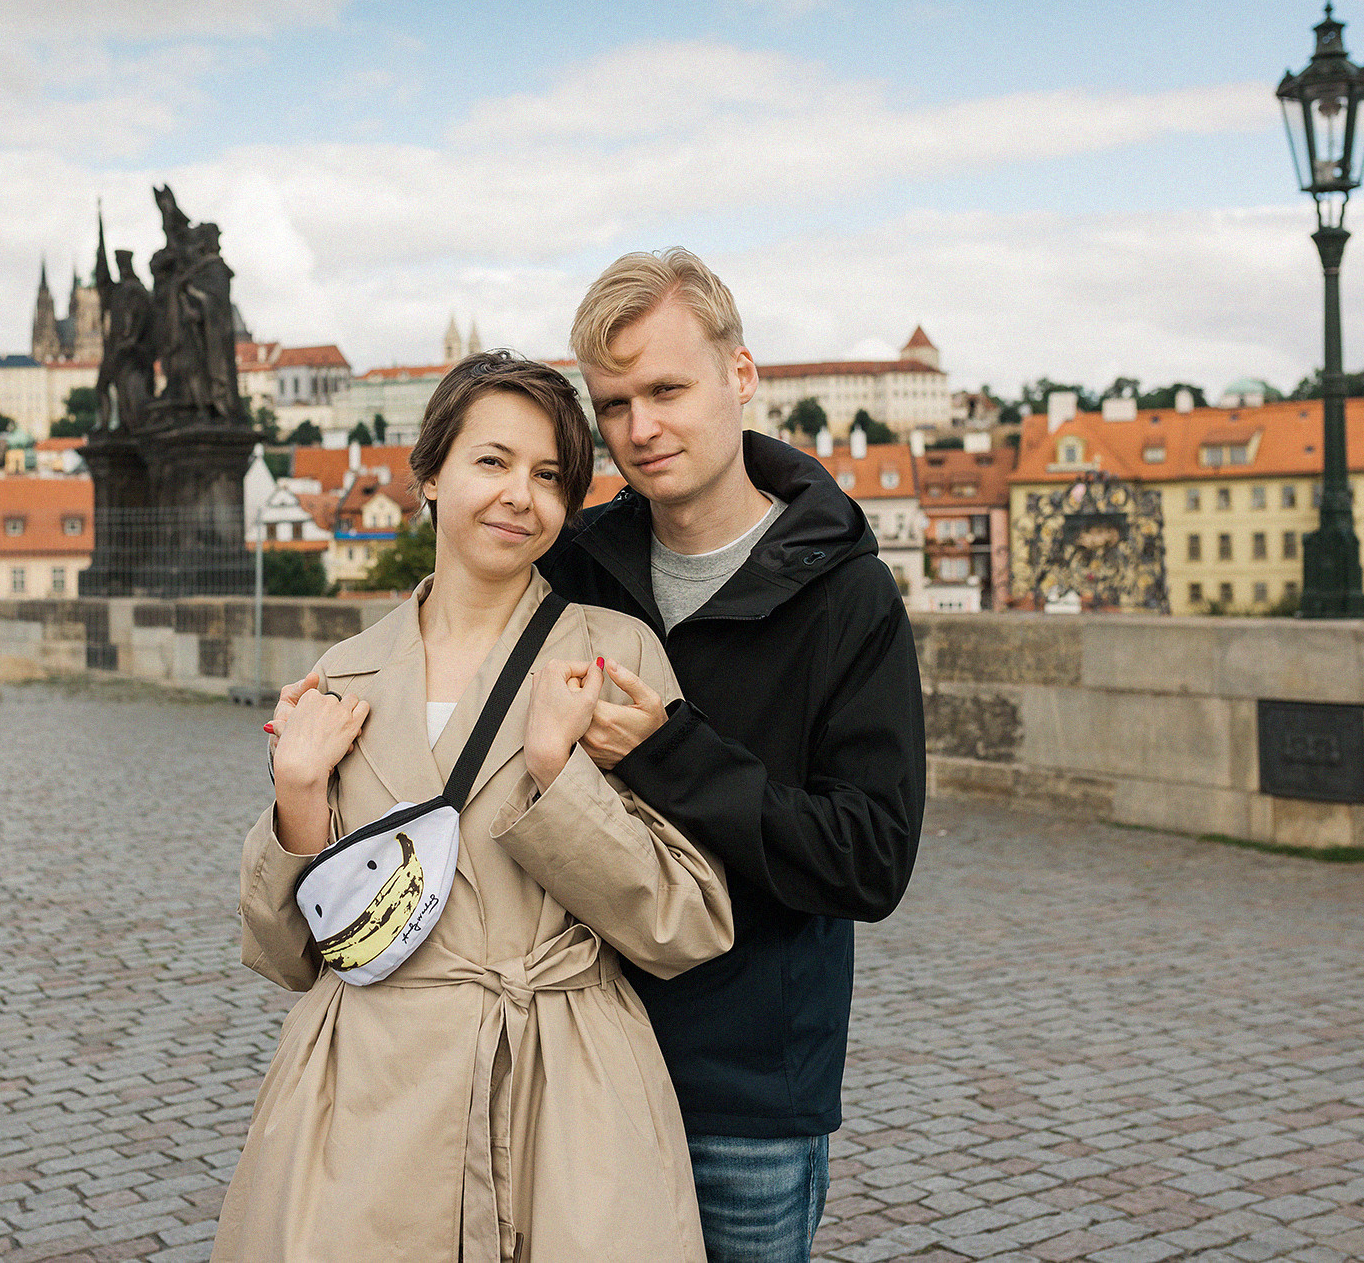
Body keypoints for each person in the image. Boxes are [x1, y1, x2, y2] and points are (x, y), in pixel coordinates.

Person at [219, 353, 734, 1263]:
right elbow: (285, 952)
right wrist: (297, 796)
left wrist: (557, 776)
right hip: (366, 1106)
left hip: (565, 1092)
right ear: (427, 474)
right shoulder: (345, 673)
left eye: (548, 477)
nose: (518, 497)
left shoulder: (611, 657)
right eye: (491, 462)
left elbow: (686, 920)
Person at [541, 250, 926, 1263]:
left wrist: (671, 754)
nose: (639, 429)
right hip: (572, 1058)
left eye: (665, 389)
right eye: (612, 402)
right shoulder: (571, 566)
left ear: (739, 376)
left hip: (746, 1089)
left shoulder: (845, 595)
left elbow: (867, 860)